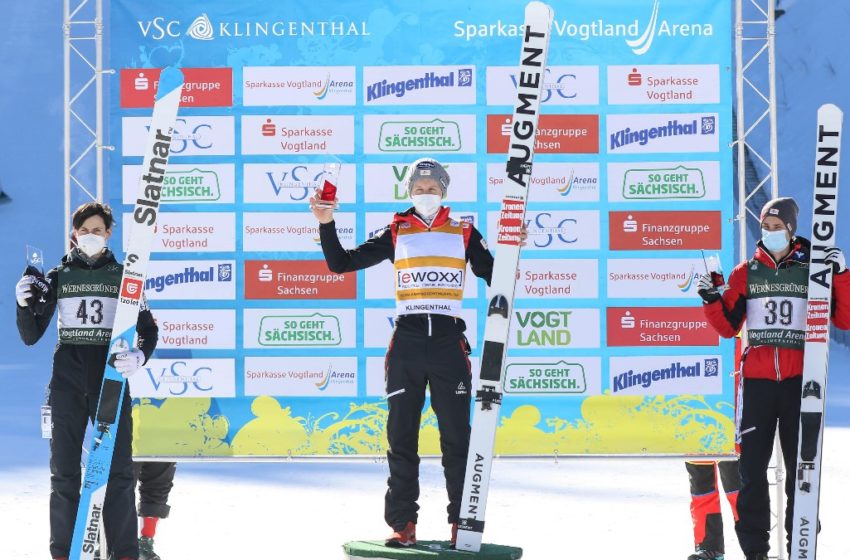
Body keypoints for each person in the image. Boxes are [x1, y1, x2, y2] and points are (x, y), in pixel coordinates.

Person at [310, 158, 494, 548]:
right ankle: (403, 525)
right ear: (409, 190)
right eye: (419, 188)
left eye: (432, 188)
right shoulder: (397, 229)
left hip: (448, 344)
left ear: (443, 190)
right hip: (407, 343)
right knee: (401, 437)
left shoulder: (463, 231)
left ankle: (463, 524)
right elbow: (339, 263)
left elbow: (497, 275)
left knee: (458, 439)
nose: (425, 193)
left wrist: (514, 246)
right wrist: (325, 222)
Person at [696, 197, 850, 560]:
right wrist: (709, 300)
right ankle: (755, 553)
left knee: (802, 473)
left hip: (801, 384)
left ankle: (801, 545)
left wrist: (841, 275)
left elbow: (843, 320)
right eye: (765, 227)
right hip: (759, 383)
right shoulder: (744, 272)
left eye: (777, 227)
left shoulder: (813, 268)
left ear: (791, 229)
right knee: (751, 474)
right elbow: (728, 326)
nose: (769, 233)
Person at [16, 202, 158, 560]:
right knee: (64, 474)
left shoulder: (125, 276)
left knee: (120, 472)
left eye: (97, 230)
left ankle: (124, 552)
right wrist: (22, 303)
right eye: (84, 231)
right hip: (67, 382)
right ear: (73, 235)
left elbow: (148, 329)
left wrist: (140, 356)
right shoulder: (57, 275)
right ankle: (64, 553)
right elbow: (31, 334)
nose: (90, 237)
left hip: (110, 380)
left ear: (109, 234)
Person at [685, 460, 740, 560]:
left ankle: (755, 547)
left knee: (738, 490)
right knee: (701, 488)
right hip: (696, 446)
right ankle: (709, 547)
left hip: (734, 446)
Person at [134, 461, 177, 560]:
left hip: (161, 446)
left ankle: (145, 544)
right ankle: (107, 541)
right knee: (118, 487)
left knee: (158, 483)